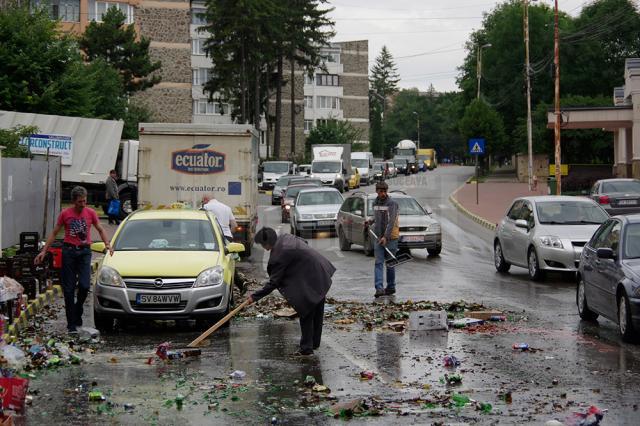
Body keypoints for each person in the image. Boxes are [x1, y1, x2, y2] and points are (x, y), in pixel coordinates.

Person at [35, 186, 113, 333]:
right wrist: (44, 251)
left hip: (84, 252)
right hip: (69, 252)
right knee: (69, 289)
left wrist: (108, 244)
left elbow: (100, 229)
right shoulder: (65, 214)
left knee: (84, 285)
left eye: (84, 201)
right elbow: (55, 232)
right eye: (79, 202)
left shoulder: (90, 212)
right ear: (73, 201)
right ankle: (71, 323)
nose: (83, 204)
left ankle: (78, 309)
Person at [247, 228, 335, 356]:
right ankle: (314, 343)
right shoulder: (286, 237)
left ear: (267, 243)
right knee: (317, 308)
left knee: (306, 310)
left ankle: (306, 349)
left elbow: (273, 282)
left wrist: (254, 297)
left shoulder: (279, 254)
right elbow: (304, 242)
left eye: (262, 244)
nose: (262, 247)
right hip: (320, 271)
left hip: (311, 276)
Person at [371, 181, 400, 297]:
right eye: (380, 191)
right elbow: (376, 218)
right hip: (378, 238)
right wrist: (370, 221)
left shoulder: (392, 204)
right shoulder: (375, 203)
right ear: (377, 191)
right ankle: (379, 288)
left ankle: (391, 287)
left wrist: (386, 237)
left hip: (391, 239)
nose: (383, 193)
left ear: (387, 191)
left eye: (384, 191)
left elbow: (391, 222)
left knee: (390, 264)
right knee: (378, 263)